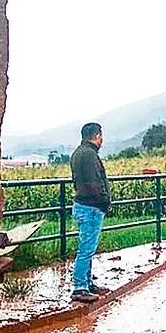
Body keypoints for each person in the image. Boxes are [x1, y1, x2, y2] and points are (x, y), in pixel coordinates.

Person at [70, 122, 112, 303]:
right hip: (91, 207)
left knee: (88, 247)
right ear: (97, 136)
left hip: (84, 205)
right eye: (101, 136)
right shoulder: (89, 155)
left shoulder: (78, 153)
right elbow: (94, 183)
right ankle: (80, 287)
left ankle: (87, 283)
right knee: (86, 248)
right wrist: (104, 202)